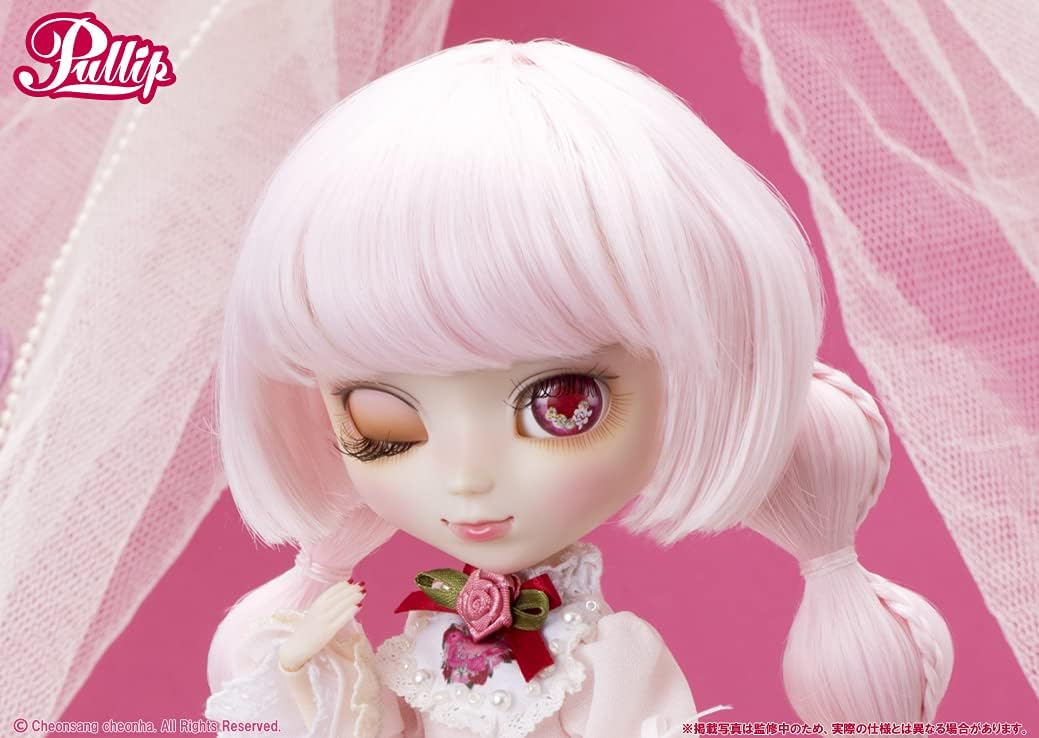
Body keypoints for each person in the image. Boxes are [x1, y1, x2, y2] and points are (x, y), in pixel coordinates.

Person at [204, 38, 952, 738]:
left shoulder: (609, 661)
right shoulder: (428, 639)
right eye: (383, 424)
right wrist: (309, 672)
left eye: (559, 406)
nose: (466, 479)